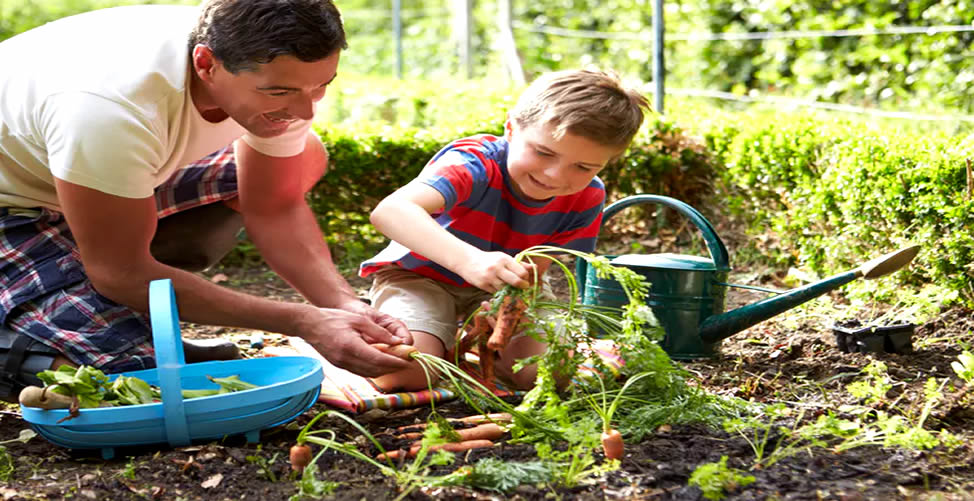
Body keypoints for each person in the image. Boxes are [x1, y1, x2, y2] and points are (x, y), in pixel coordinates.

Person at [0, 0, 414, 401]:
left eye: (322, 85)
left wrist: (342, 306)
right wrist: (304, 321)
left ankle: (100, 290)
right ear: (205, 64)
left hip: (85, 175)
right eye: (279, 92)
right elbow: (119, 271)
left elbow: (273, 206)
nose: (305, 109)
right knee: (129, 379)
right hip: (14, 203)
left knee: (304, 155)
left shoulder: (267, 67)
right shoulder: (112, 109)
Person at [359, 69, 649, 392]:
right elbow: (390, 211)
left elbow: (535, 269)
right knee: (405, 374)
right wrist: (468, 261)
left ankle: (462, 343)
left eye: (583, 167)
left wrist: (511, 304)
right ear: (511, 128)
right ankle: (438, 337)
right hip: (421, 276)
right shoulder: (473, 163)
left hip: (502, 289)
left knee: (547, 376)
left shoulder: (588, 196)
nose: (554, 175)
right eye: (543, 152)